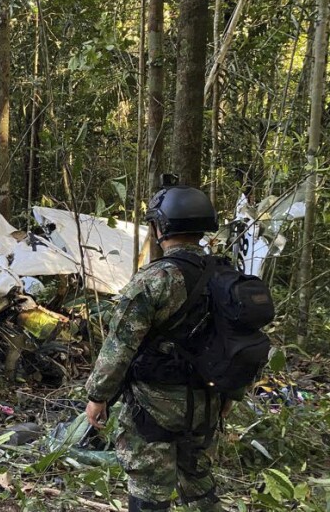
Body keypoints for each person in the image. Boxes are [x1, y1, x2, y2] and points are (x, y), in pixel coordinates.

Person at [83, 182, 235, 512]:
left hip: (154, 409)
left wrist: (98, 396)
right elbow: (242, 340)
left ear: (161, 227)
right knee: (199, 486)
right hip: (207, 404)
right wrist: (231, 396)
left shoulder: (155, 279)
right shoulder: (225, 276)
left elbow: (119, 346)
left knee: (150, 489)